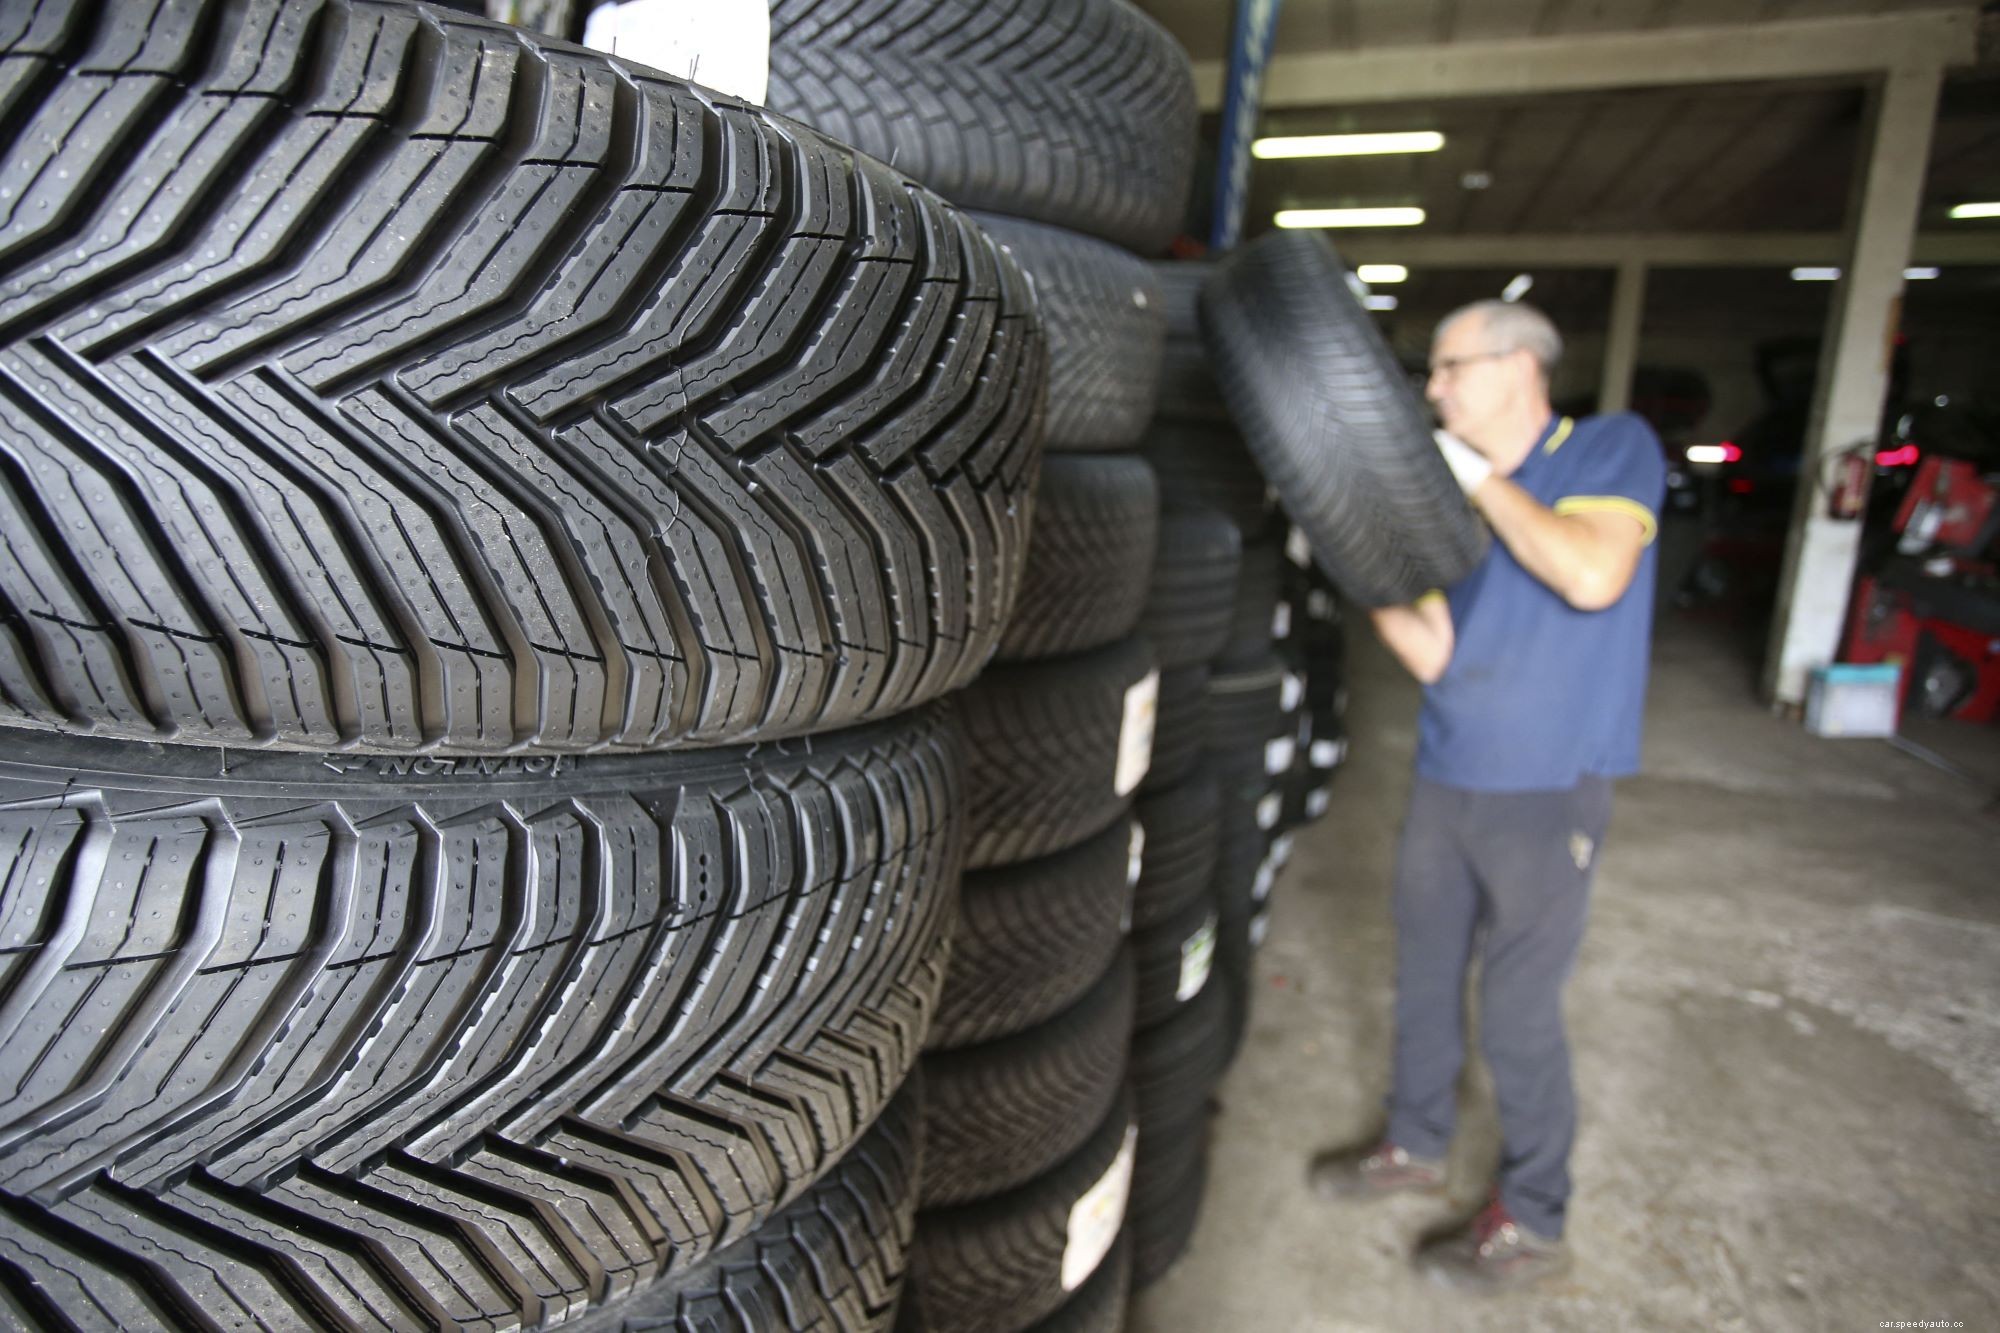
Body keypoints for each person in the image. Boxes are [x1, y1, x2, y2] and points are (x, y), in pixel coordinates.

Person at [1309, 300, 1667, 1292]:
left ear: (1515, 365)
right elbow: (1433, 650)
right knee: (1423, 976)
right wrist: (1356, 547)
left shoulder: (1606, 448)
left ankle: (1534, 1217)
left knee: (1514, 1007)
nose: (1432, 389)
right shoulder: (1452, 506)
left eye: (1446, 367)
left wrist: (1479, 479)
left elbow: (1592, 574)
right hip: (1447, 771)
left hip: (1546, 789)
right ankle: (1415, 1143)